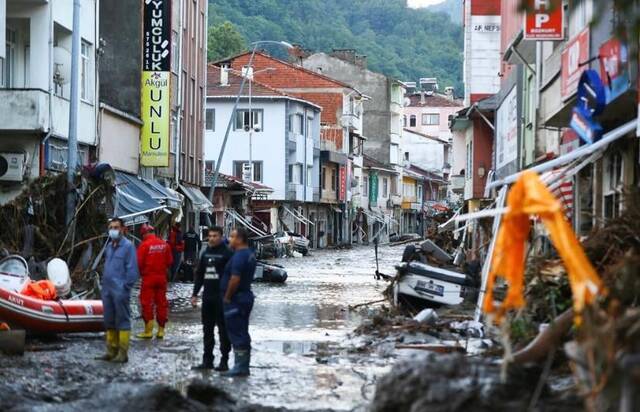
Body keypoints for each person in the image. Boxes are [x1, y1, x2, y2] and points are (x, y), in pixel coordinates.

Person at [96, 218, 139, 363]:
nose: (113, 230)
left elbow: (133, 270)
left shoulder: (128, 247)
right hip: (107, 289)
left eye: (116, 227)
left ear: (123, 229)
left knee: (122, 320)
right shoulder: (109, 247)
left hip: (120, 290)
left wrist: (125, 288)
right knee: (109, 320)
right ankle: (110, 350)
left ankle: (122, 353)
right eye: (111, 227)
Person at [191, 226, 233, 371]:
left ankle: (224, 360)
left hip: (222, 299)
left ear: (221, 237)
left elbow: (234, 277)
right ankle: (207, 360)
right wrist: (195, 294)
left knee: (223, 331)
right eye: (210, 236)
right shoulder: (206, 252)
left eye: (215, 236)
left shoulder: (227, 253)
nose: (212, 238)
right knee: (207, 330)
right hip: (208, 298)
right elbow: (200, 275)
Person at [221, 227, 256, 377]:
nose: (229, 239)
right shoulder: (249, 255)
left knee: (237, 332)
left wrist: (227, 296)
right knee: (242, 331)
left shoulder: (240, 256)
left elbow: (235, 279)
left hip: (237, 299)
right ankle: (242, 365)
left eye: (232, 236)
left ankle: (240, 366)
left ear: (240, 239)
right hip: (245, 297)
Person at [136, 224, 173, 340]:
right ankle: (161, 331)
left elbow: (139, 263)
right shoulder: (164, 244)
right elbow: (170, 261)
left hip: (148, 278)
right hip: (161, 278)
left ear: (144, 234)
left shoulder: (144, 245)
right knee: (162, 303)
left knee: (147, 303)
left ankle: (148, 331)